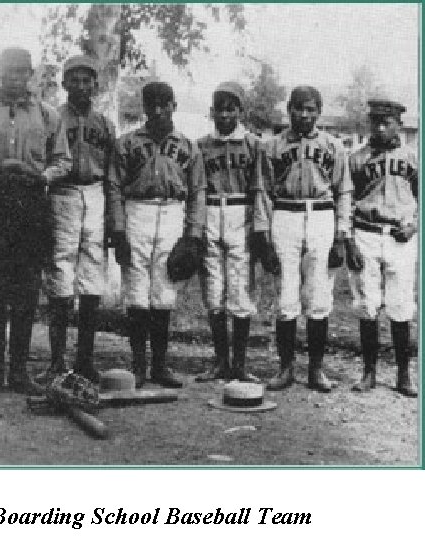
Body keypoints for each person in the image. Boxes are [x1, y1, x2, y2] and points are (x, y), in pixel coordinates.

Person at [0, 47, 71, 397]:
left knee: (27, 290)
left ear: (31, 74)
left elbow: (63, 161)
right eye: (10, 71)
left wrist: (41, 176)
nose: (16, 77)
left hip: (31, 206)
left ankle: (19, 372)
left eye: (23, 72)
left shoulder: (48, 115)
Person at [109, 81, 206, 389]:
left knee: (165, 287)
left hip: (172, 212)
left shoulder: (188, 147)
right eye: (152, 104)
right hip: (137, 209)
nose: (159, 110)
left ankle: (160, 365)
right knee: (137, 287)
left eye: (165, 104)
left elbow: (198, 191)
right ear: (144, 108)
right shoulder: (127, 143)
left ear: (174, 105)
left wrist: (193, 235)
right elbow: (113, 187)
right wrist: (119, 230)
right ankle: (138, 365)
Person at [264, 85, 353, 393]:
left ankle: (316, 369)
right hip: (285, 214)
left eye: (310, 109)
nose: (304, 114)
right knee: (286, 296)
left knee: (318, 296)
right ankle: (286, 368)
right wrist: (264, 235)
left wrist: (342, 235)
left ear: (319, 111)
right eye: (298, 108)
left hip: (320, 215)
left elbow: (344, 191)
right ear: (288, 109)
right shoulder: (273, 146)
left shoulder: (333, 145)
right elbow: (263, 192)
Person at [39, 54, 116, 384]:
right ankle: (57, 360)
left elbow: (112, 170)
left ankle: (84, 359)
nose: (82, 86)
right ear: (65, 84)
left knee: (91, 274)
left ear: (95, 85)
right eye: (75, 80)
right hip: (64, 193)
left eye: (87, 81)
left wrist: (113, 213)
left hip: (95, 193)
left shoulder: (104, 123)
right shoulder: (52, 118)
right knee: (60, 270)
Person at [195, 81, 277, 383]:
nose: (225, 115)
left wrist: (260, 228)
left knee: (241, 286)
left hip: (241, 212)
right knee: (213, 288)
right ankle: (220, 361)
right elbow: (197, 189)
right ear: (212, 111)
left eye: (231, 109)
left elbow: (260, 188)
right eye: (220, 109)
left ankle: (240, 364)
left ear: (240, 111)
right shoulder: (202, 145)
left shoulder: (254, 144)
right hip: (212, 210)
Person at [348, 97, 418, 397]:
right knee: (367, 304)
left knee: (401, 306)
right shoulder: (357, 158)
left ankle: (404, 374)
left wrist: (415, 225)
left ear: (398, 124)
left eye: (386, 121)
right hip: (366, 232)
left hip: (400, 235)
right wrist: (348, 237)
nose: (379, 127)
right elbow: (345, 200)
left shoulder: (413, 157)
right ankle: (369, 372)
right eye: (374, 121)